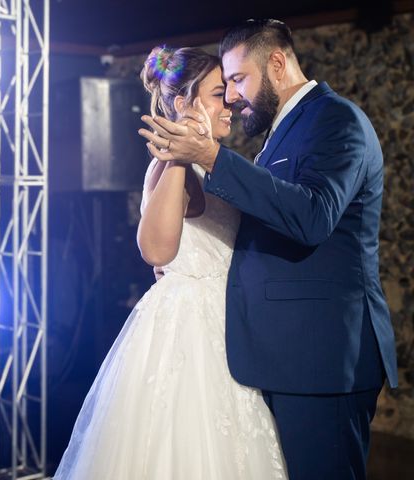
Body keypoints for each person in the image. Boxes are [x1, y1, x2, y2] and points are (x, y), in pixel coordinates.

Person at [139, 19, 398, 480]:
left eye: (237, 80)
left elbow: (311, 217)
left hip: (322, 358)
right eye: (226, 86)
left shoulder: (335, 121)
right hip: (268, 355)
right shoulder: (281, 132)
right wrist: (187, 268)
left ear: (277, 63)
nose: (234, 97)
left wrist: (211, 158)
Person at [54, 46, 287, 479]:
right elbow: (157, 251)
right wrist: (179, 152)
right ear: (184, 105)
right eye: (219, 93)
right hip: (189, 329)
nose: (232, 102)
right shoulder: (170, 166)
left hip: (224, 321)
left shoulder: (214, 166)